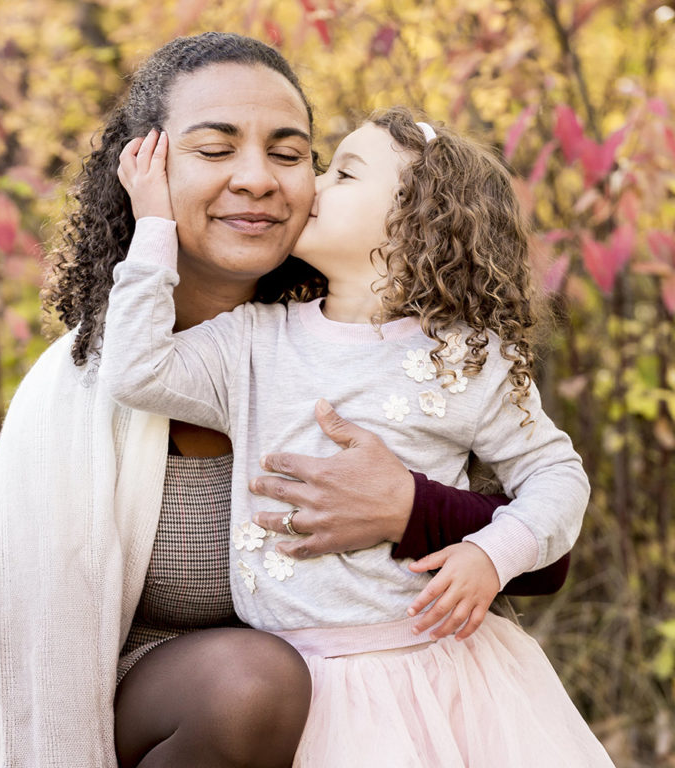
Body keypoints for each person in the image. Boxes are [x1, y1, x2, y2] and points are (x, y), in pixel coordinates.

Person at [0, 33, 569, 768]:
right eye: (214, 149)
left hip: (365, 689)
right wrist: (155, 238)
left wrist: (406, 509)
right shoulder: (80, 386)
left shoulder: (381, 346)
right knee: (251, 684)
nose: (257, 179)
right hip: (157, 703)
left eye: (291, 153)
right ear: (148, 170)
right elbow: (31, 645)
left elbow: (547, 556)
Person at [99, 104, 614, 766]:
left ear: (414, 224)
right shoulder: (255, 341)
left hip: (437, 671)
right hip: (299, 679)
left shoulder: (468, 357)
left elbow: (556, 476)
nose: (313, 184)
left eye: (344, 173)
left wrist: (493, 554)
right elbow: (136, 373)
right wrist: (154, 229)